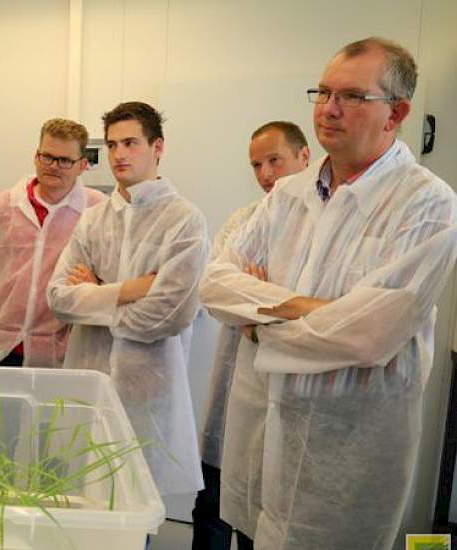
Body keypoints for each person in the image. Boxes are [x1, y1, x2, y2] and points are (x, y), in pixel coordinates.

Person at [200, 37, 457, 550]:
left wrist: (255, 321)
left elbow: (367, 337)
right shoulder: (288, 195)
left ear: (397, 112)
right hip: (262, 437)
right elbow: (213, 285)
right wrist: (319, 314)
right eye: (323, 92)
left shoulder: (427, 205)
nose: (329, 109)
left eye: (352, 97)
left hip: (345, 461)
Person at [47, 101, 208, 498]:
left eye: (131, 143)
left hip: (148, 394)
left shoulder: (184, 221)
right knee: (84, 507)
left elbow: (169, 316)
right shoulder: (94, 219)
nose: (119, 154)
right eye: (113, 144)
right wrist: (130, 290)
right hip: (89, 384)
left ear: (158, 148)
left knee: (136, 509)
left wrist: (96, 293)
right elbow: (58, 298)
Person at [192, 121, 309, 550]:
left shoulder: (319, 232)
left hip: (294, 396)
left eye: (274, 161)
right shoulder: (244, 221)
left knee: (268, 524)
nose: (265, 174)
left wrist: (254, 298)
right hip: (234, 387)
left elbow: (326, 318)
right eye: (256, 165)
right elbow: (214, 290)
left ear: (304, 158)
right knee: (214, 509)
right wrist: (277, 304)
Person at [0, 118, 105, 367]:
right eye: (47, 157)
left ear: (82, 165)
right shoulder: (4, 205)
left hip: (65, 351)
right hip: (6, 346)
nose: (54, 166)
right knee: (1, 407)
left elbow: (109, 275)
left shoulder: (97, 209)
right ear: (36, 156)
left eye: (65, 161)